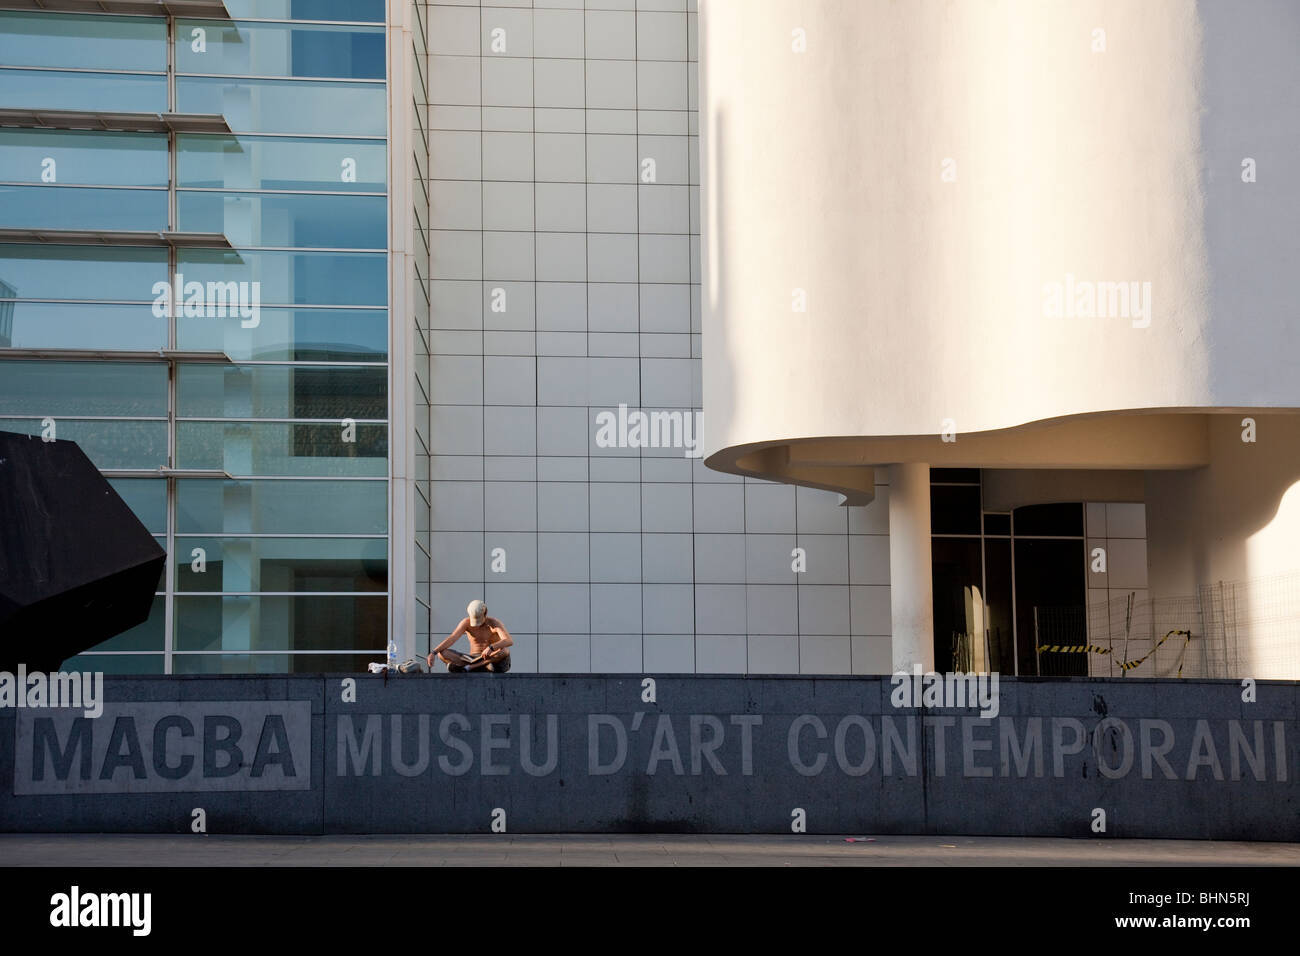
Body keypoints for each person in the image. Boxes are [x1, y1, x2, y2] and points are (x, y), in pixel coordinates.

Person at [427, 600, 513, 673]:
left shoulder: (494, 623)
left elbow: (508, 641)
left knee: (505, 650)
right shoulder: (466, 622)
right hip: (473, 659)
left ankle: (470, 668)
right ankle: (476, 667)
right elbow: (452, 638)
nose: (477, 626)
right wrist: (433, 653)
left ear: (485, 613)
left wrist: (491, 647)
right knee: (442, 653)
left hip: (492, 659)